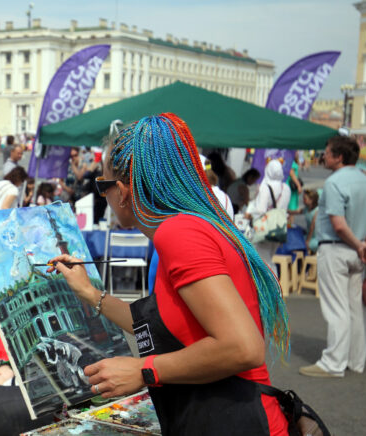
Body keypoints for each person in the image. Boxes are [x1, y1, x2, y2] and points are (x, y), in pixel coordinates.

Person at [47, 114, 289, 435]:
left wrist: (143, 370)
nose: (104, 196)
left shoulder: (178, 233)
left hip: (236, 419)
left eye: (103, 185)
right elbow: (159, 326)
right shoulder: (189, 226)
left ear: (121, 191)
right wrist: (91, 294)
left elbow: (243, 347)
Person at [299, 135, 366, 378]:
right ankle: (355, 359)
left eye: (327, 152)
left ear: (339, 157)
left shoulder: (333, 183)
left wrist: (360, 246)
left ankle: (333, 362)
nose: (323, 156)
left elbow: (338, 224)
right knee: (355, 307)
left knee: (336, 307)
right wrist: (365, 247)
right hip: (357, 251)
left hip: (337, 247)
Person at [245, 159, 291, 275]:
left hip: (265, 228)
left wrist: (250, 211)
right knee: (269, 258)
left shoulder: (265, 187)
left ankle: (271, 289)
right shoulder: (286, 188)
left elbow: (260, 210)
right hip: (279, 227)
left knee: (263, 261)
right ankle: (274, 287)